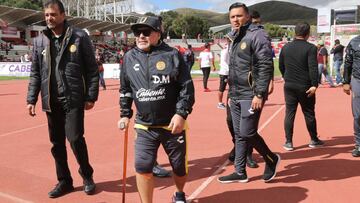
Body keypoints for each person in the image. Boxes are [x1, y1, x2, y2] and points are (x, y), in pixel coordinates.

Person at [117, 16, 195, 203]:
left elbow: (186, 87)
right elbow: (125, 89)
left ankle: (179, 193)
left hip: (172, 125)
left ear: (158, 33)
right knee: (143, 168)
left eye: (146, 32)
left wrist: (181, 113)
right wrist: (125, 114)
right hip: (144, 127)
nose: (141, 36)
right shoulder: (129, 57)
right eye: (137, 32)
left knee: (179, 168)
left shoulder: (173, 55)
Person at [26, 0, 98, 198]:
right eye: (47, 15)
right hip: (51, 101)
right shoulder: (40, 40)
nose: (49, 18)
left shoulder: (79, 37)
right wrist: (31, 98)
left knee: (75, 139)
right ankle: (64, 181)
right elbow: (35, 73)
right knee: (56, 144)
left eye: (53, 14)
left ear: (63, 15)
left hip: (73, 99)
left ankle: (87, 176)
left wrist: (91, 96)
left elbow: (92, 70)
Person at [217, 2, 280, 184]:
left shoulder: (257, 35)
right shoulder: (234, 37)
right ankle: (239, 171)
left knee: (247, 132)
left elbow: (265, 64)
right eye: (232, 17)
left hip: (251, 94)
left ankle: (271, 159)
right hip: (235, 93)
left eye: (239, 15)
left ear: (247, 16)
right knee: (238, 134)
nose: (235, 19)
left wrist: (259, 93)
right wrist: (230, 93)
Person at [279, 22, 324, 151]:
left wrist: (286, 77)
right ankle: (314, 140)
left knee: (289, 113)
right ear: (308, 34)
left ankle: (288, 142)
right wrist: (315, 85)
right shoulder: (311, 48)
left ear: (295, 33)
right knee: (309, 113)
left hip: (289, 85)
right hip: (305, 86)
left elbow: (281, 66)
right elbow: (313, 68)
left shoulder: (286, 47)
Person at [343, 34, 360, 157]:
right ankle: (359, 144)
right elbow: (348, 62)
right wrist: (345, 82)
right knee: (358, 115)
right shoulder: (354, 42)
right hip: (358, 80)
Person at [217, 38, 230, 109]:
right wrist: (229, 70)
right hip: (225, 72)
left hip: (227, 72)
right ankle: (220, 103)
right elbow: (224, 62)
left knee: (232, 88)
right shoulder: (225, 50)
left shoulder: (228, 49)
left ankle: (231, 102)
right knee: (222, 88)